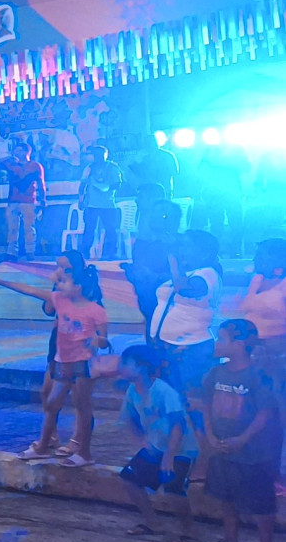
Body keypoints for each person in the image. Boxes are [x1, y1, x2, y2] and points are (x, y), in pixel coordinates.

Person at [0, 250, 109, 465]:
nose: (59, 281)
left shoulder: (95, 309)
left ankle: (82, 451)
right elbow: (30, 291)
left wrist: (99, 341)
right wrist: (1, 281)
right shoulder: (59, 299)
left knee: (82, 404)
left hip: (83, 363)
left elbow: (104, 338)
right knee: (51, 401)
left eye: (65, 277)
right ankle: (44, 444)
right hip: (62, 360)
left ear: (78, 286)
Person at [196, 319, 280, 542]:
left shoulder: (257, 375)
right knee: (227, 496)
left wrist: (243, 439)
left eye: (222, 338)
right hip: (223, 447)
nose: (217, 343)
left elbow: (265, 412)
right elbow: (207, 406)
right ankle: (230, 541)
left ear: (240, 344)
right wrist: (211, 436)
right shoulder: (215, 373)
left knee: (260, 499)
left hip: (253, 451)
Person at [115, 345, 199, 542]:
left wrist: (170, 455)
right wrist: (142, 443)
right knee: (129, 478)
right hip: (156, 446)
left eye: (126, 363)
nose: (121, 368)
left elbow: (178, 424)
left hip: (180, 448)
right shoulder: (132, 390)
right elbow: (127, 419)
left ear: (142, 366)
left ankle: (189, 531)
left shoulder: (163, 390)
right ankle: (153, 523)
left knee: (173, 487)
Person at [149, 230, 223, 406]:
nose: (181, 250)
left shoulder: (207, 273)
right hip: (169, 344)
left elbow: (184, 289)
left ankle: (194, 432)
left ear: (204, 252)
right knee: (171, 397)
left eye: (187, 246)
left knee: (191, 399)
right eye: (180, 245)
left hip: (192, 347)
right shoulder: (187, 273)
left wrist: (173, 261)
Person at [123, 197, 180, 342]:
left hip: (175, 310)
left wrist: (155, 277)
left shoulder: (183, 245)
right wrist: (132, 274)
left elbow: (190, 276)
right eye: (152, 214)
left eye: (162, 215)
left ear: (174, 220)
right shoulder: (142, 244)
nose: (154, 218)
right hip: (149, 303)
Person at [238, 238, 286, 387]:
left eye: (259, 255)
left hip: (278, 351)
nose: (254, 259)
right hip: (252, 348)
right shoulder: (257, 279)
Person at [78, 144, 123, 260]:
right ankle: (85, 253)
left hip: (108, 205)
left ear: (106, 155)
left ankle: (110, 253)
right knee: (89, 229)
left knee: (111, 230)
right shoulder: (89, 168)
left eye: (100, 154)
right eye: (96, 155)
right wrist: (81, 199)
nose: (98, 157)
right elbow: (82, 184)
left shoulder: (113, 167)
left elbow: (118, 184)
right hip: (91, 204)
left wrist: (106, 188)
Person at [2, 141, 46, 260]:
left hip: (29, 201)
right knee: (12, 227)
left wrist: (43, 201)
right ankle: (11, 253)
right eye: (15, 150)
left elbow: (41, 184)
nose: (16, 152)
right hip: (13, 201)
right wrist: (8, 158)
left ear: (26, 152)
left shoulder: (35, 166)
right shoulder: (11, 164)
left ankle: (30, 252)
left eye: (19, 150)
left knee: (29, 227)